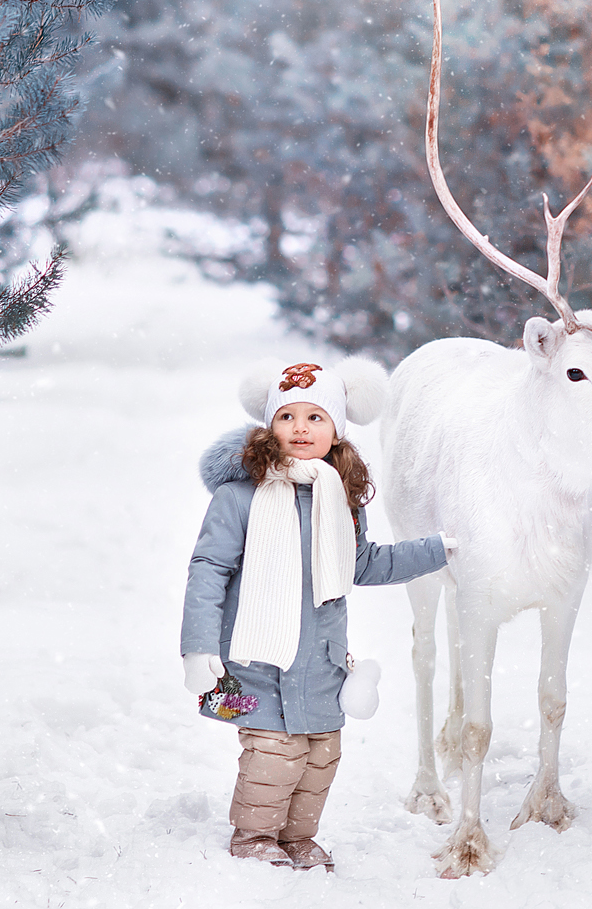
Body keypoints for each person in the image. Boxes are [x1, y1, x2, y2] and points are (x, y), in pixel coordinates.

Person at [180, 358, 453, 871]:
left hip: (322, 661)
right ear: (268, 428)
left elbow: (364, 564)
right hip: (255, 657)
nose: (300, 428)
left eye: (315, 417)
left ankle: (298, 837)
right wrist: (198, 646)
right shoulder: (239, 497)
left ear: (337, 430)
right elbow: (208, 570)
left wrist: (439, 550)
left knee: (320, 755)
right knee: (274, 754)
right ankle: (255, 835)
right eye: (287, 417)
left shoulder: (341, 499)